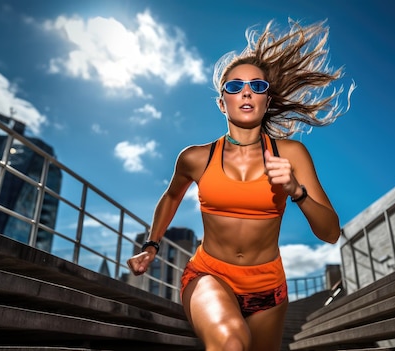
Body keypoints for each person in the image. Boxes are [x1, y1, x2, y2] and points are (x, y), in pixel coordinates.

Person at [127, 19, 353, 351]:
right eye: (234, 87)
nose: (246, 92)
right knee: (231, 343)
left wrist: (296, 191)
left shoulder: (292, 154)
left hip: (269, 292)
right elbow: (172, 196)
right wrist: (152, 244)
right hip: (209, 276)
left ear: (266, 100)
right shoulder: (196, 158)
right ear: (222, 102)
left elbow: (331, 232)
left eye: (257, 86)